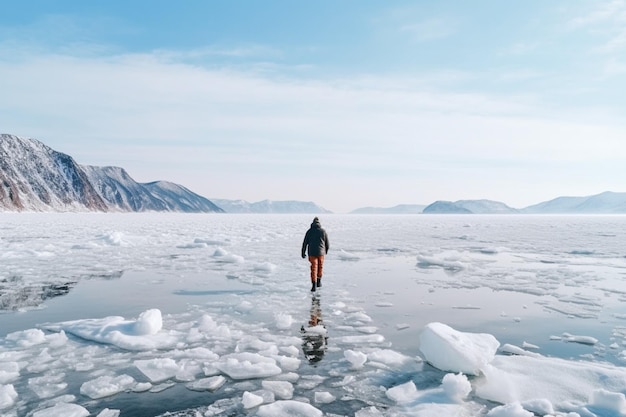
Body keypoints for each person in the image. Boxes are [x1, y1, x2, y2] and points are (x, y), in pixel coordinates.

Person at [301, 216, 330, 292]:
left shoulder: (309, 231)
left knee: (314, 268)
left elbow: (305, 243)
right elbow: (327, 243)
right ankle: (319, 282)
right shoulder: (323, 231)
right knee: (320, 267)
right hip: (321, 253)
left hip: (312, 253)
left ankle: (314, 285)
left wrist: (303, 252)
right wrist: (326, 251)